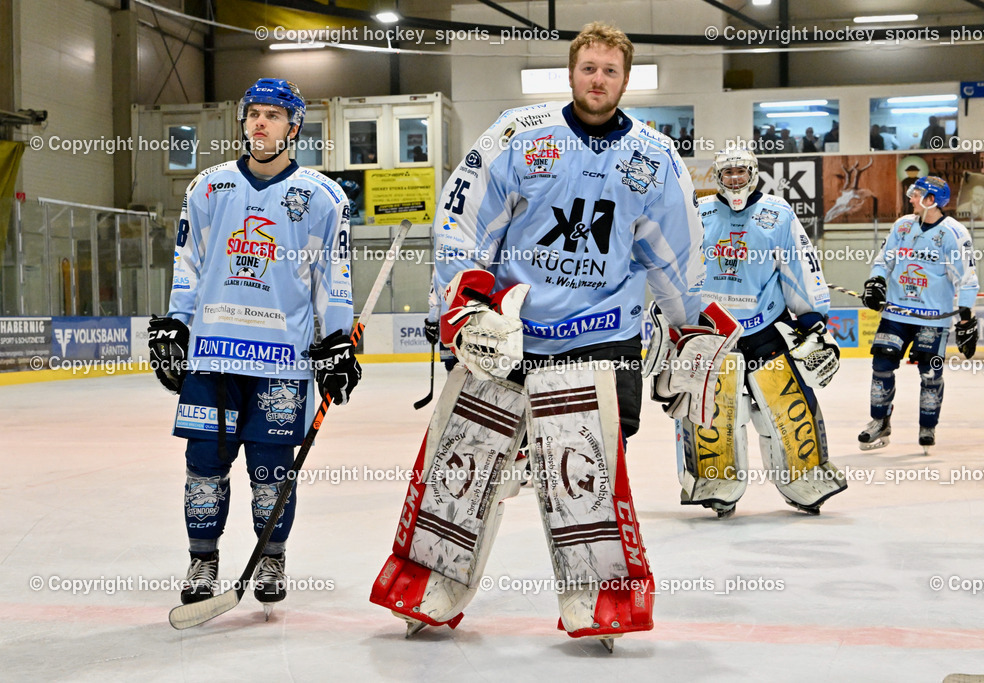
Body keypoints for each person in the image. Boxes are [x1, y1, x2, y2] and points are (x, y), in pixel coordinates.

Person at [369, 21, 737, 646]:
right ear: (571, 72)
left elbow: (674, 258)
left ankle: (602, 600)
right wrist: (467, 304)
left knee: (584, 475)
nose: (598, 80)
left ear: (626, 78)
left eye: (611, 71)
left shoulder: (654, 158)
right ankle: (424, 582)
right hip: (509, 334)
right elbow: (464, 221)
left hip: (601, 340)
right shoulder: (518, 135)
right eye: (589, 68)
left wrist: (688, 332)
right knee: (461, 462)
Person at [147, 78, 361, 612]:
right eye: (253, 114)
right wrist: (177, 322)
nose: (260, 123)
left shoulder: (321, 197)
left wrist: (336, 340)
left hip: (280, 359)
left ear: (294, 127)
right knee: (205, 462)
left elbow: (331, 276)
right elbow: (189, 264)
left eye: (273, 114)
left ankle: (271, 555)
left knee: (271, 468)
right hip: (214, 355)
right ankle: (203, 558)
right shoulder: (208, 188)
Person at [671, 148, 846, 518]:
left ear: (753, 173)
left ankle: (804, 480)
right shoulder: (698, 213)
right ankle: (715, 482)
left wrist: (813, 318)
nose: (734, 179)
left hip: (765, 328)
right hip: (713, 335)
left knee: (787, 410)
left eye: (740, 172)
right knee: (715, 417)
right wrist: (673, 319)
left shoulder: (778, 214)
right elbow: (678, 269)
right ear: (717, 177)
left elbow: (799, 263)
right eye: (727, 173)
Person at [859, 175, 979, 452]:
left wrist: (966, 318)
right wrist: (875, 281)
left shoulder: (954, 234)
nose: (910, 198)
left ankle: (928, 425)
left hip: (932, 318)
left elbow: (968, 279)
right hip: (897, 314)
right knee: (882, 365)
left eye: (916, 194)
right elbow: (883, 261)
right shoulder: (902, 226)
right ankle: (879, 421)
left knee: (930, 371)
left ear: (931, 201)